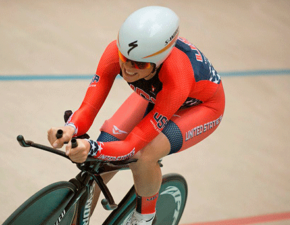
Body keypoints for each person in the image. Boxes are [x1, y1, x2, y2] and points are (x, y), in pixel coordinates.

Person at [47, 6, 225, 225]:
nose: (129, 68)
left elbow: (133, 145)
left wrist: (92, 147)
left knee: (144, 155)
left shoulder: (177, 75)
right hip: (155, 95)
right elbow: (89, 107)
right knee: (100, 159)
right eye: (125, 58)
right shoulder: (115, 52)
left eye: (140, 64)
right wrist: (70, 128)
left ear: (158, 61)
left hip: (202, 108)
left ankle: (145, 218)